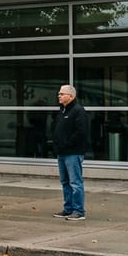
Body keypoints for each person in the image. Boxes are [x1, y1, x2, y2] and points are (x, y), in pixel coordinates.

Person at [52, 84, 89, 221]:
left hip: (73, 152)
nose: (59, 96)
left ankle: (78, 211)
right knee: (65, 182)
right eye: (59, 93)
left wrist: (67, 144)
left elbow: (81, 132)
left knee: (75, 182)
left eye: (62, 94)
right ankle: (68, 209)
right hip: (62, 153)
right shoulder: (62, 111)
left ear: (71, 96)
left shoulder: (78, 111)